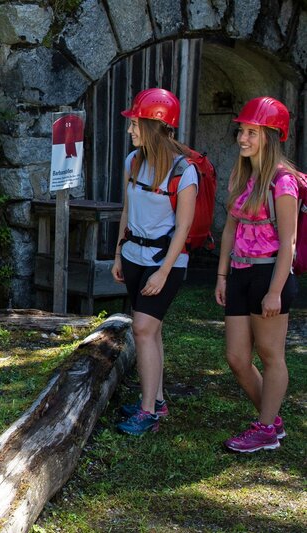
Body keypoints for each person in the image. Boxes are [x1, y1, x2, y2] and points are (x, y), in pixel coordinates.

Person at [112, 88, 199, 436]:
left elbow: (185, 228)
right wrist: (119, 252)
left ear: (155, 125)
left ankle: (147, 411)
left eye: (136, 124)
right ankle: (157, 400)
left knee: (143, 329)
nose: (131, 130)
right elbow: (127, 210)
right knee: (153, 330)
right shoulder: (133, 161)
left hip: (166, 263)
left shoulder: (184, 172)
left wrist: (164, 272)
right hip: (133, 255)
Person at [214, 96, 298, 453]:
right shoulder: (242, 173)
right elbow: (231, 229)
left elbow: (289, 242)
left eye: (252, 132)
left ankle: (264, 427)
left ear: (271, 136)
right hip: (238, 273)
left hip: (269, 277)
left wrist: (275, 291)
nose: (243, 138)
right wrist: (221, 275)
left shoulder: (283, 182)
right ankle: (271, 420)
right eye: (242, 131)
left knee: (270, 354)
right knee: (236, 357)